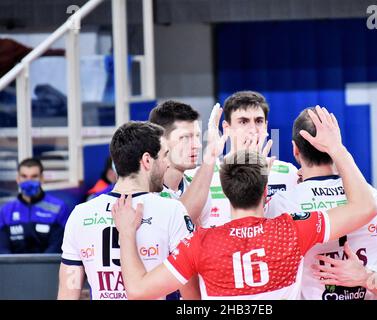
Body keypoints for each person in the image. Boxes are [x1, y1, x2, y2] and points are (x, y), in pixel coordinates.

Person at [112, 106, 377, 299]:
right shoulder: (291, 231)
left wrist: (126, 232)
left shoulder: (201, 243)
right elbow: (366, 207)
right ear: (266, 191)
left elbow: (137, 289)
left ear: (224, 191)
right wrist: (336, 148)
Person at [265, 106, 377, 300]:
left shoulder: (282, 205)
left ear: (295, 150)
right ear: (336, 143)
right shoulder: (371, 197)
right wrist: (367, 277)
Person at [57, 121, 194, 300]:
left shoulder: (80, 214)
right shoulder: (172, 211)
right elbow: (191, 293)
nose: (167, 164)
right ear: (147, 160)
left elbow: (68, 294)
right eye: (164, 155)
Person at [192, 91, 298, 228]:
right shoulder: (201, 177)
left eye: (259, 121)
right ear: (226, 128)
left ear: (266, 126)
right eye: (243, 121)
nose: (253, 129)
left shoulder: (288, 173)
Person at [148, 100, 227, 225]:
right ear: (160, 141)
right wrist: (210, 154)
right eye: (185, 137)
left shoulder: (197, 188)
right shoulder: (143, 190)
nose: (197, 145)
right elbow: (177, 223)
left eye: (197, 136)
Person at [0, 158, 69, 253]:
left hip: (47, 266)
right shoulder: (6, 211)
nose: (29, 181)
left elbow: (57, 247)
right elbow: (3, 249)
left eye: (34, 176)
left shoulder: (59, 208)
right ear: (18, 179)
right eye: (24, 176)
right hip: (14, 266)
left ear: (42, 178)